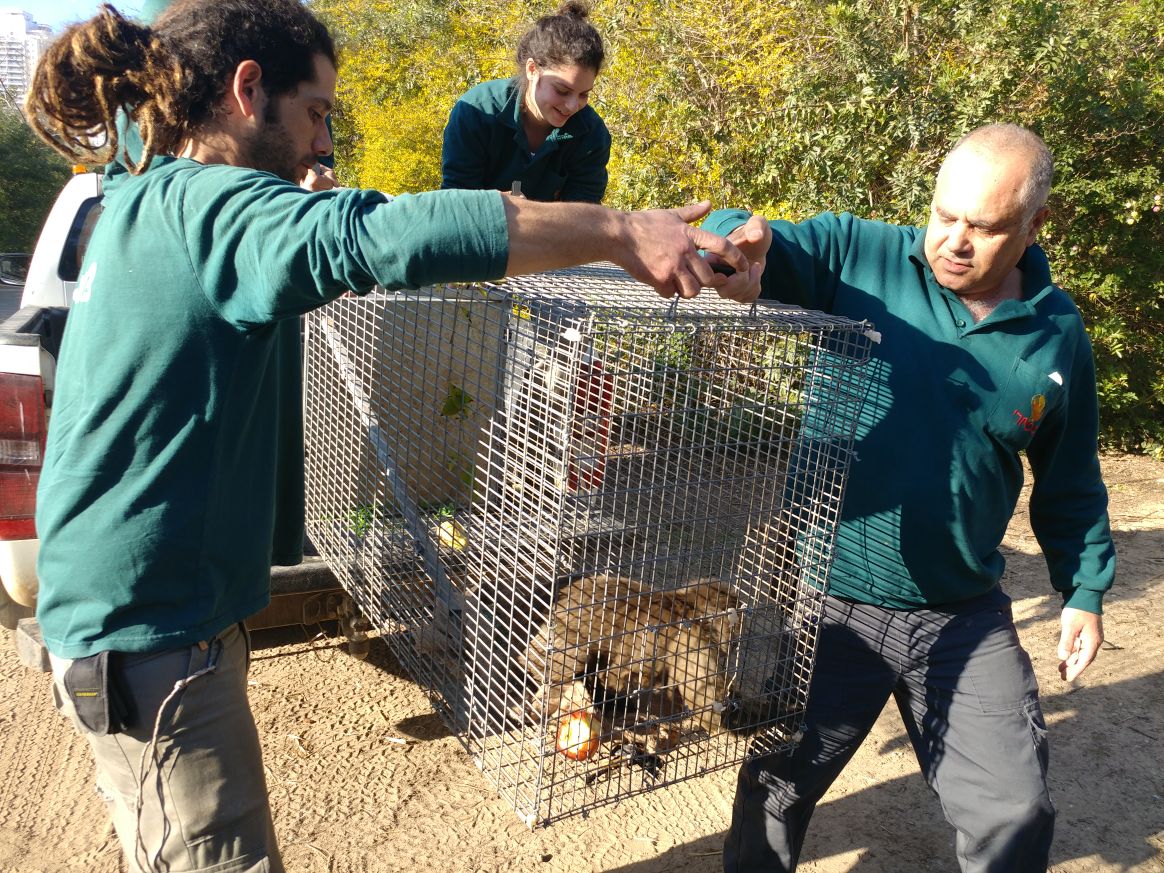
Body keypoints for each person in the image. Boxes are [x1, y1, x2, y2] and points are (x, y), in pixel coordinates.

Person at [23, 2, 761, 870]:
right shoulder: (221, 211)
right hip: (151, 637)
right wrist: (621, 229)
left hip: (131, 620)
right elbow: (387, 236)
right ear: (247, 90)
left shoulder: (148, 194)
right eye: (318, 113)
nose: (321, 144)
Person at [704, 123, 1117, 872]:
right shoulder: (860, 258)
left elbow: (1071, 475)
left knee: (1014, 808)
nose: (954, 240)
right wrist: (737, 242)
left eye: (984, 226)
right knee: (773, 787)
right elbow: (757, 241)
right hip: (828, 601)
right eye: (944, 215)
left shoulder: (1057, 334)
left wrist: (1083, 589)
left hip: (960, 613)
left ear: (1034, 225)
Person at [441, 1, 611, 202]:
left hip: (554, 234)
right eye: (562, 90)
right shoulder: (476, 111)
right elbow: (455, 203)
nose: (573, 106)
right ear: (532, 70)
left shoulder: (592, 135)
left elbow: (585, 215)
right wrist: (497, 208)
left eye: (584, 94)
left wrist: (531, 216)